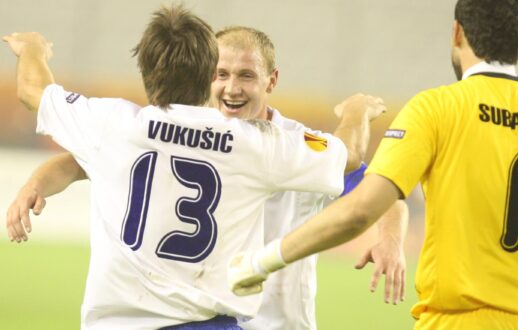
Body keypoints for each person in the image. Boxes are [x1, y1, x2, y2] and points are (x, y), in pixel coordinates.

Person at [4, 22, 407, 330]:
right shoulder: (263, 147)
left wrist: (390, 239)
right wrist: (356, 110)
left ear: (272, 80)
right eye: (222, 74)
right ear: (205, 77)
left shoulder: (125, 124)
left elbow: (382, 188)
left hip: (273, 320)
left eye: (246, 76)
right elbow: (80, 161)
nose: (232, 87)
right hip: (216, 315)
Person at [229, 0, 518, 329]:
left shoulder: (437, 109)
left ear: (457, 32)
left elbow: (361, 210)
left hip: (456, 321)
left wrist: (259, 263)